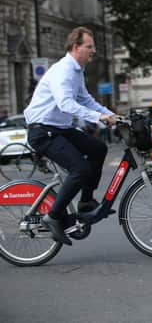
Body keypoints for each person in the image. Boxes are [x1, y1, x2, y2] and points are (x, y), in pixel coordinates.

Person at [25, 26, 116, 246]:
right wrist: (98, 117)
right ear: (76, 47)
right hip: (42, 130)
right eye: (89, 46)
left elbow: (85, 100)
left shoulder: (77, 71)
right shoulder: (63, 70)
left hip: (59, 128)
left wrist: (112, 116)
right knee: (80, 169)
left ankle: (85, 201)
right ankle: (53, 217)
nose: (93, 51)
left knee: (98, 148)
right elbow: (66, 104)